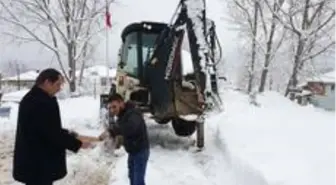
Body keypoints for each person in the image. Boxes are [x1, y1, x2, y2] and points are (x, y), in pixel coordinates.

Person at [12, 68, 98, 185]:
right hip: (38, 165)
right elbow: (52, 133)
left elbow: (47, 128)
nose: (59, 88)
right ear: (47, 82)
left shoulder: (35, 99)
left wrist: (71, 135)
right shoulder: (39, 103)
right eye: (58, 84)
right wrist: (78, 143)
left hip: (37, 164)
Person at [98, 93, 150, 185]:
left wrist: (112, 132)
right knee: (132, 178)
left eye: (114, 107)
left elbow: (131, 127)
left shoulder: (133, 112)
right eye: (110, 108)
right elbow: (122, 131)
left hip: (140, 151)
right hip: (132, 151)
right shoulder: (122, 115)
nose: (112, 110)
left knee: (138, 182)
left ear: (121, 103)